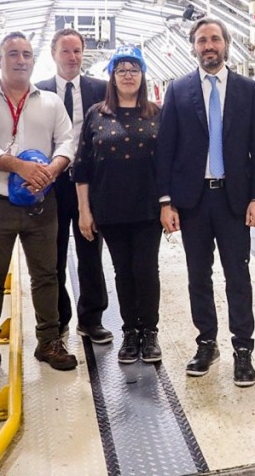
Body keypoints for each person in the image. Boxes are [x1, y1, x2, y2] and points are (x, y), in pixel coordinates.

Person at [156, 18, 255, 388]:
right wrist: (167, 201)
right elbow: (166, 148)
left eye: (215, 39)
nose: (209, 46)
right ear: (193, 47)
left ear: (226, 44)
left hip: (234, 199)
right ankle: (206, 343)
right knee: (198, 276)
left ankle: (243, 349)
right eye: (202, 40)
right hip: (193, 200)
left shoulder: (248, 89)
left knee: (238, 275)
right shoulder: (178, 89)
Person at [0, 32, 78, 383]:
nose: (21, 60)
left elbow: (67, 141)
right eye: (13, 54)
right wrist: (20, 166)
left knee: (46, 274)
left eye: (27, 54)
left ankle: (48, 341)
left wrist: (52, 171)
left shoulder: (50, 103)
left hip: (40, 204)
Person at [73, 47, 162, 364]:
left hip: (148, 208)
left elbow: (168, 164)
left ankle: (149, 332)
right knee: (122, 271)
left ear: (142, 75)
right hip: (109, 208)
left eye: (134, 69)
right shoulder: (97, 114)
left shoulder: (156, 114)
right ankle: (130, 332)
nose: (128, 75)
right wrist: (84, 211)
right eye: (121, 69)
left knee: (146, 270)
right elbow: (82, 167)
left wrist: (169, 205)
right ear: (112, 76)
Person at [35, 28, 110, 343]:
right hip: (51, 183)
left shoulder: (101, 89)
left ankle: (91, 319)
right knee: (52, 255)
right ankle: (59, 317)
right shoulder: (38, 92)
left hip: (88, 184)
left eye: (77, 51)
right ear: (53, 54)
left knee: (90, 251)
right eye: (65, 51)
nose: (72, 57)